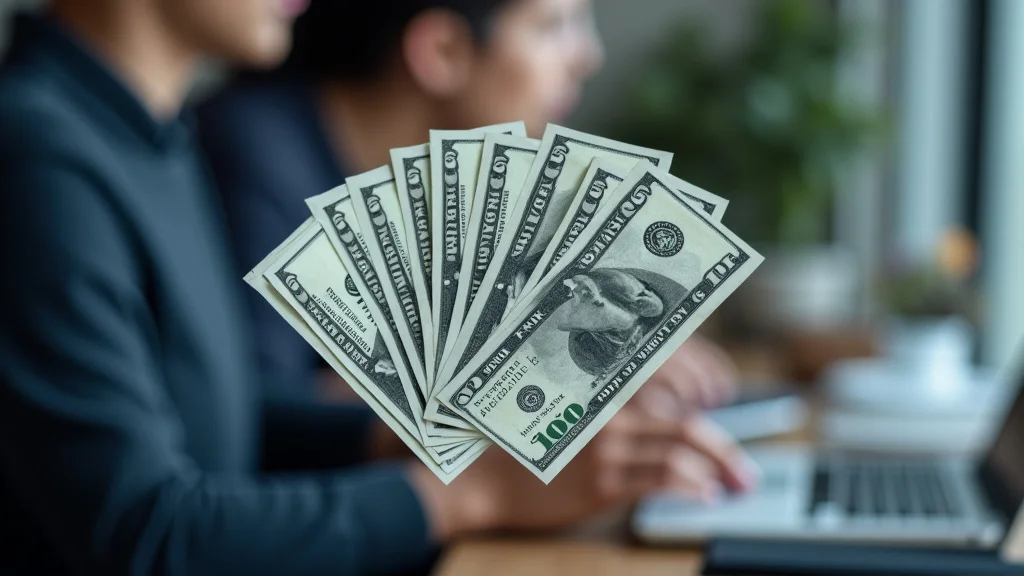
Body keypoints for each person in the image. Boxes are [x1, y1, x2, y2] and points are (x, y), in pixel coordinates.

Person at [0, 1, 756, 575]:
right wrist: (469, 492)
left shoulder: (150, 135)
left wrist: (446, 433)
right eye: (552, 23)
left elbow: (224, 417)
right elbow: (146, 530)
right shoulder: (38, 154)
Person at [199, 0, 741, 411]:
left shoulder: (464, 178)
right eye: (552, 26)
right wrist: (545, 379)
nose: (588, 57)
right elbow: (265, 409)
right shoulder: (248, 153)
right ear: (442, 52)